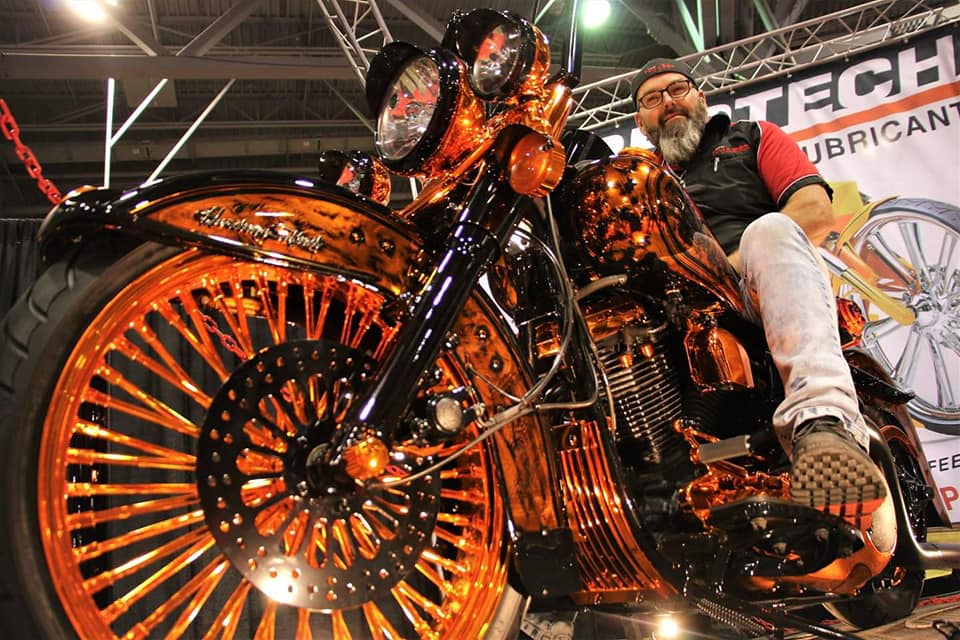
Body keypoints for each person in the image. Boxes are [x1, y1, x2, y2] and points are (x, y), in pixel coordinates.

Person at [630, 58, 888, 528]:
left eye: (678, 89)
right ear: (639, 121)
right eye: (653, 98)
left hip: (749, 287)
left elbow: (813, 211)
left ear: (700, 96)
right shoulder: (639, 179)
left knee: (769, 229)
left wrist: (720, 270)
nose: (668, 101)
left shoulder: (750, 137)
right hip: (670, 309)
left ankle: (822, 424)